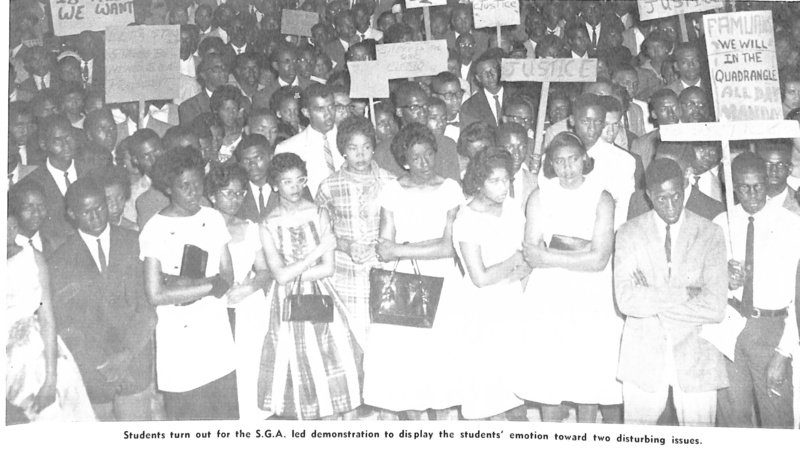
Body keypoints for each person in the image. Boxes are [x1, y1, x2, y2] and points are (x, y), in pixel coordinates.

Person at [517, 132, 622, 424]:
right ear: (550, 164)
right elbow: (531, 250)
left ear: (585, 159)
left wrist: (551, 258)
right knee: (551, 373)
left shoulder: (602, 197)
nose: (567, 168)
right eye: (559, 161)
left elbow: (600, 259)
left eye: (573, 159)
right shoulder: (540, 195)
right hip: (550, 293)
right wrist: (582, 252)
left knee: (588, 371)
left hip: (591, 294)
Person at [615, 158, 728, 427]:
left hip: (697, 356)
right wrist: (685, 292)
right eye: (661, 198)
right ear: (648, 195)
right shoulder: (629, 233)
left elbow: (715, 307)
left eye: (676, 196)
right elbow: (627, 300)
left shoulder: (711, 233)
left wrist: (651, 296)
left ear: (685, 187)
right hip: (642, 355)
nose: (670, 206)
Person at [363, 123, 463, 420]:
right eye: (416, 157)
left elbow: (448, 246)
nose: (424, 163)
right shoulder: (392, 191)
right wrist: (407, 248)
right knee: (407, 363)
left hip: (443, 280)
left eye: (429, 154)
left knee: (442, 360)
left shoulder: (450, 188)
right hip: (405, 283)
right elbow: (384, 246)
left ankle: (444, 428)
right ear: (404, 160)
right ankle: (415, 428)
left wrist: (402, 249)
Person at [257, 152, 363, 420]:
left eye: (299, 180)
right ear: (275, 185)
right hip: (288, 304)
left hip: (320, 294)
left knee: (339, 367)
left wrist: (294, 272)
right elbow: (279, 276)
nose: (295, 188)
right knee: (305, 373)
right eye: (287, 182)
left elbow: (327, 269)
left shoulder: (318, 213)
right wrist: (314, 254)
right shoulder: (268, 224)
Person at [139, 146, 238, 420]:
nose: (194, 191)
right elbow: (155, 294)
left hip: (216, 334)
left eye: (198, 183)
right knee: (190, 418)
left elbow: (227, 275)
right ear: (169, 189)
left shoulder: (212, 217)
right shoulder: (155, 229)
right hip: (179, 339)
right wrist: (209, 286)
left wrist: (186, 287)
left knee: (225, 417)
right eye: (185, 186)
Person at [48, 178, 157, 421]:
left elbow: (147, 308)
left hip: (135, 365)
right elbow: (67, 326)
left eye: (101, 207)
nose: (96, 217)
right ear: (72, 214)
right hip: (94, 376)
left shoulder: (134, 243)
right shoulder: (60, 260)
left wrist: (126, 355)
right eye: (87, 212)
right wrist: (104, 365)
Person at [715, 152, 800, 429]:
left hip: (772, 330)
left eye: (758, 186)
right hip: (731, 329)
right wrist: (726, 279)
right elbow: (711, 283)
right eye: (743, 187)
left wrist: (784, 352)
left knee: (777, 419)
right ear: (733, 188)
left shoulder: (791, 225)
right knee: (732, 419)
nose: (751, 194)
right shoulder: (721, 223)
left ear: (767, 182)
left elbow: (797, 298)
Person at [454, 148, 530, 420]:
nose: (503, 187)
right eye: (494, 181)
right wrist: (515, 260)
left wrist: (520, 268)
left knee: (513, 383)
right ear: (478, 182)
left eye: (506, 180)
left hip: (512, 299)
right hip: (482, 308)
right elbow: (481, 277)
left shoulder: (510, 207)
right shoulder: (467, 220)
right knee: (487, 389)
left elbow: (529, 249)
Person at [6, 207, 95, 423]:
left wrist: (50, 381)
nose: (8, 233)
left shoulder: (31, 258)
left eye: (13, 227)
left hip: (37, 356)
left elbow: (47, 316)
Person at [315, 116, 397, 343]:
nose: (360, 155)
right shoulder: (329, 186)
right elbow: (321, 232)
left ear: (373, 149)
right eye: (353, 148)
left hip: (382, 267)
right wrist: (346, 246)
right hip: (344, 272)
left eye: (366, 147)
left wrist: (376, 247)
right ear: (342, 151)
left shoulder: (390, 182)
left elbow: (401, 227)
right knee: (349, 338)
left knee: (383, 338)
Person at [205, 163, 271, 420]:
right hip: (213, 307)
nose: (234, 199)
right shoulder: (201, 226)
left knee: (249, 375)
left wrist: (248, 288)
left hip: (247, 306)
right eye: (226, 193)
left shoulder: (249, 227)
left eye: (239, 193)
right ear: (212, 195)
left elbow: (264, 271)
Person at [275, 84, 345, 197]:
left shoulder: (349, 139)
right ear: (306, 112)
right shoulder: (288, 148)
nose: (328, 114)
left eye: (332, 107)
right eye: (320, 109)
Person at [757, 140, 800, 216]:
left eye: (780, 165)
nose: (773, 171)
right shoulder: (747, 201)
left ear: (790, 168)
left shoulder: (797, 203)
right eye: (768, 164)